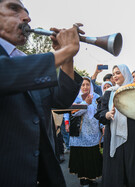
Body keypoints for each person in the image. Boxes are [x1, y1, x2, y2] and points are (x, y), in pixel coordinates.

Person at [0, 0, 83, 186]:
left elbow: (61, 100)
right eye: (14, 8)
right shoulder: (24, 66)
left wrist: (66, 56)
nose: (27, 18)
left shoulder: (25, 62)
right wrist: (68, 49)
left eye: (26, 11)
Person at [94, 64, 135, 187]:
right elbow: (100, 112)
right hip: (114, 134)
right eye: (114, 73)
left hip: (134, 134)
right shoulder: (109, 93)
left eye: (118, 73)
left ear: (125, 74)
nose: (115, 76)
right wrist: (107, 114)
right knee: (116, 167)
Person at [68, 77, 103, 187]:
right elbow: (74, 113)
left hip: (94, 133)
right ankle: (84, 180)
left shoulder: (97, 97)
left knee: (92, 157)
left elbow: (100, 113)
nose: (85, 87)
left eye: (87, 84)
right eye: (82, 85)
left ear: (91, 86)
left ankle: (91, 179)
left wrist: (102, 126)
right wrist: (85, 103)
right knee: (82, 158)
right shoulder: (76, 98)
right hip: (80, 135)